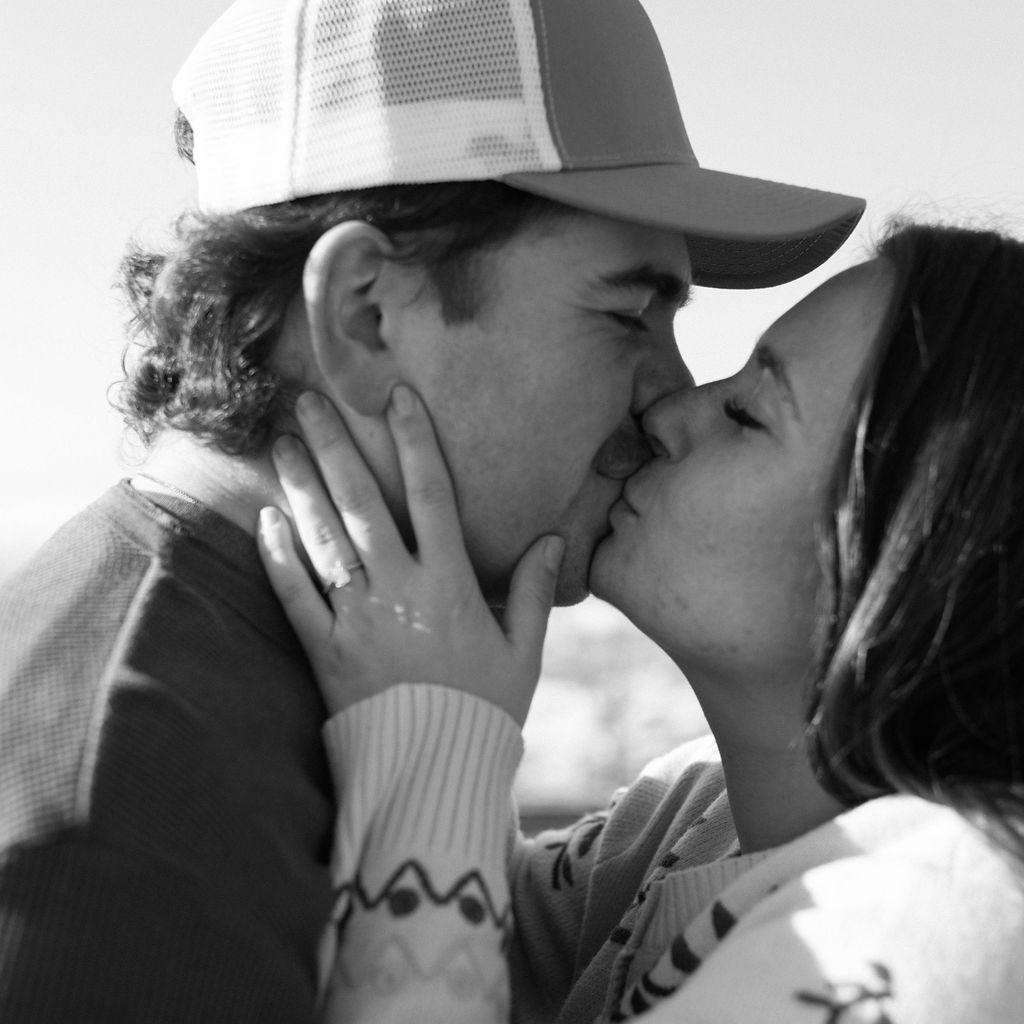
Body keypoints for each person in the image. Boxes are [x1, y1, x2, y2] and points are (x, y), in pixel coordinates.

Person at [0, 0, 865, 1020]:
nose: (671, 396)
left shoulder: (266, 691)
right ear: (364, 315)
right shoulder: (117, 820)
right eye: (629, 314)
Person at [259, 220, 1024, 1023]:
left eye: (746, 413)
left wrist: (432, 745)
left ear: (922, 548)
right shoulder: (693, 813)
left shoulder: (938, 923)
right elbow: (477, 939)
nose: (668, 411)